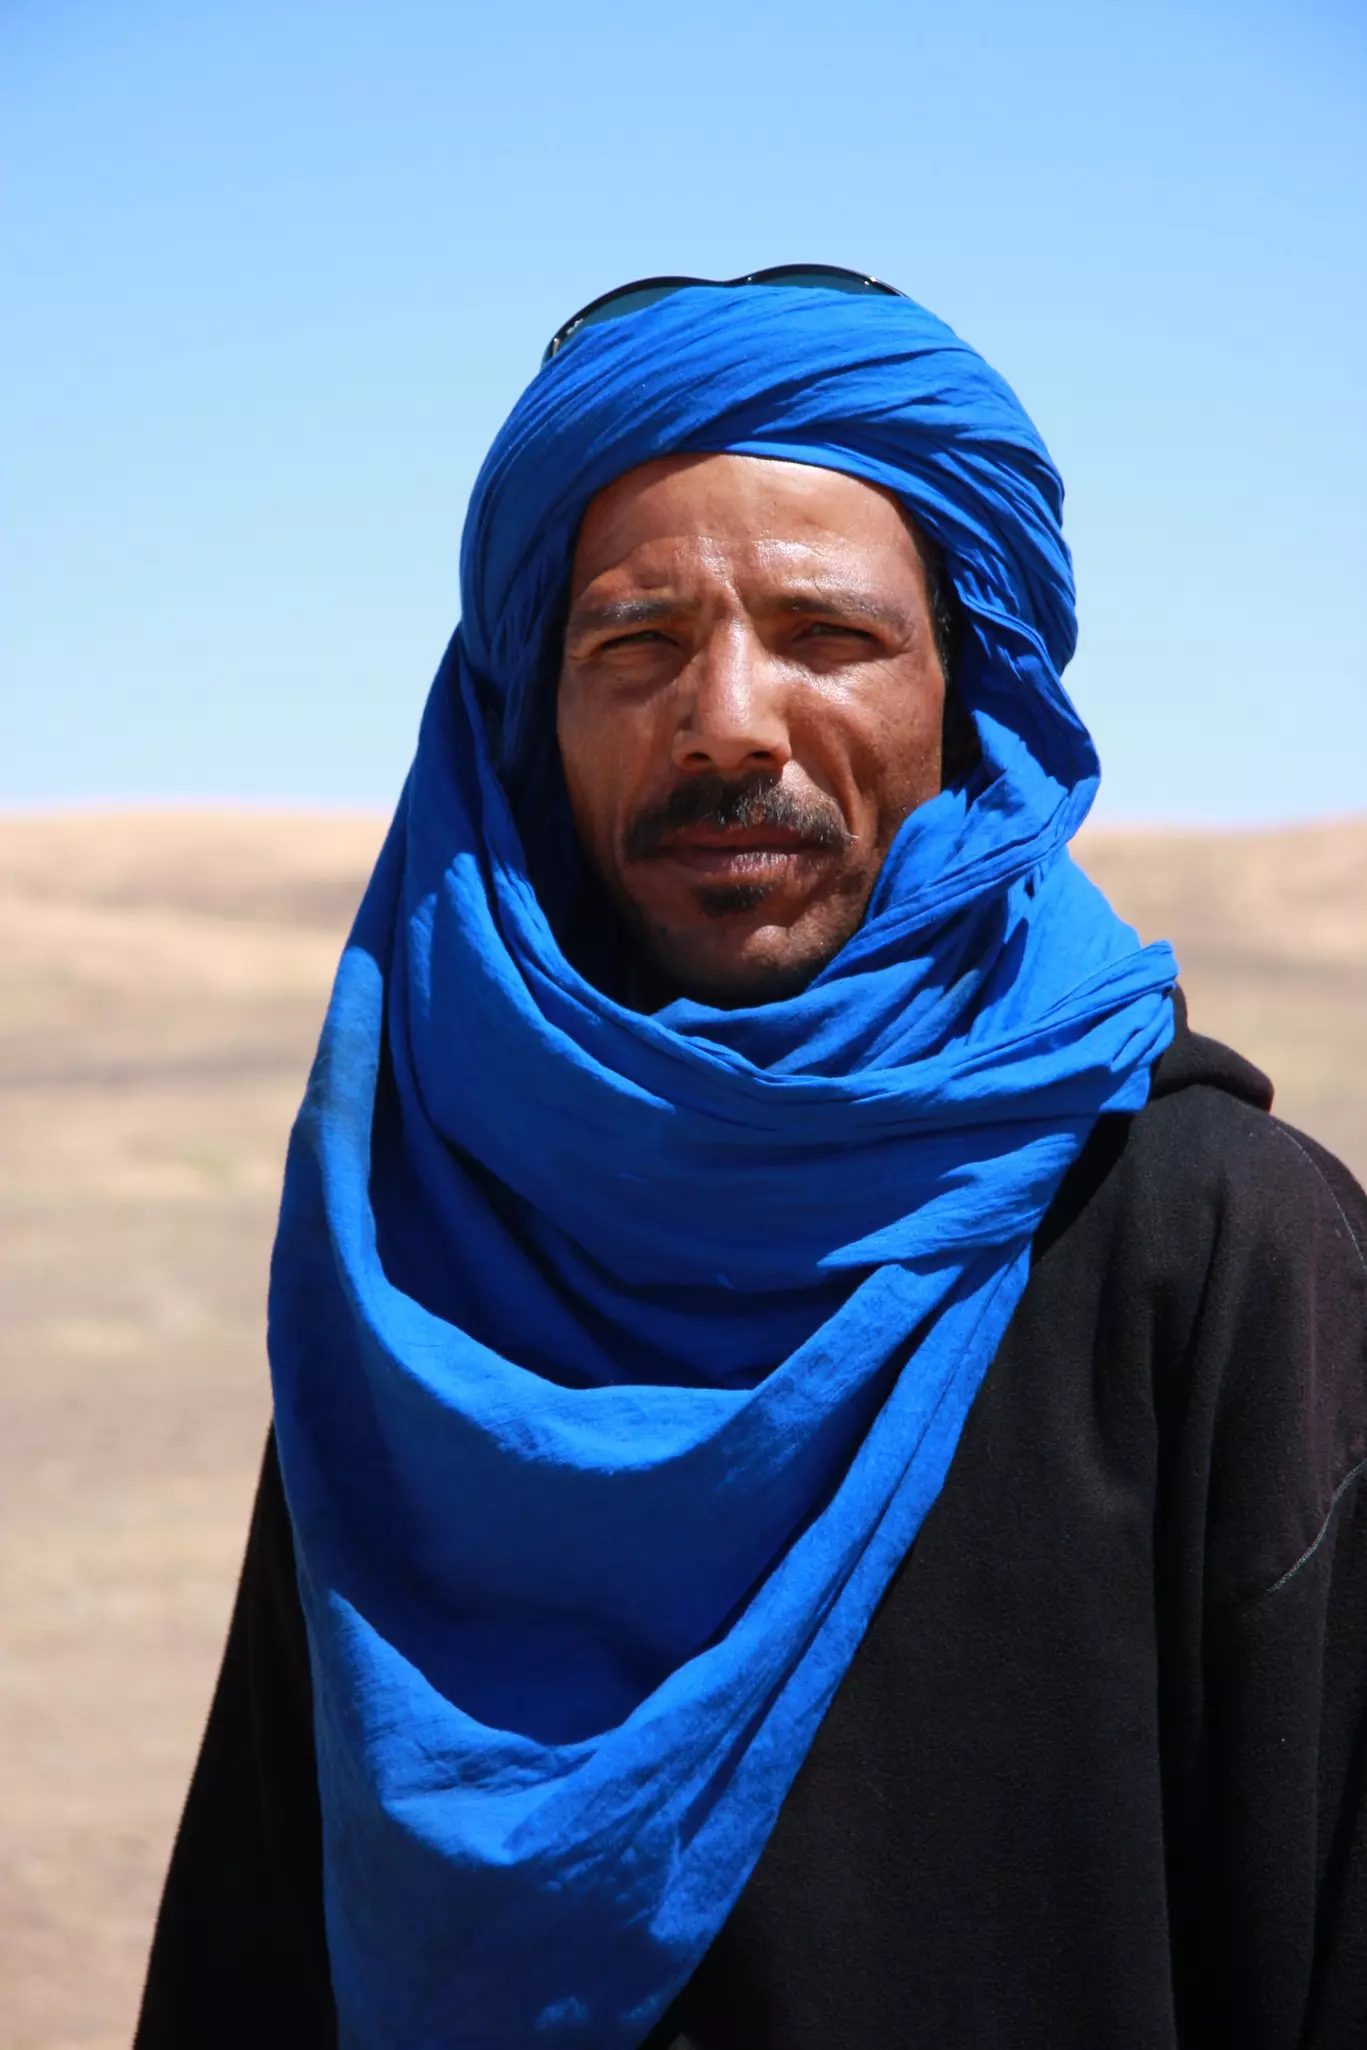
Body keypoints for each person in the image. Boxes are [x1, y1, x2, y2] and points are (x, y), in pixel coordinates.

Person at [136, 271, 1367, 2050]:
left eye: (827, 637)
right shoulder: (422, 1263)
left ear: (972, 698)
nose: (726, 722)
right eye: (630, 646)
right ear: (526, 728)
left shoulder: (1212, 1250)